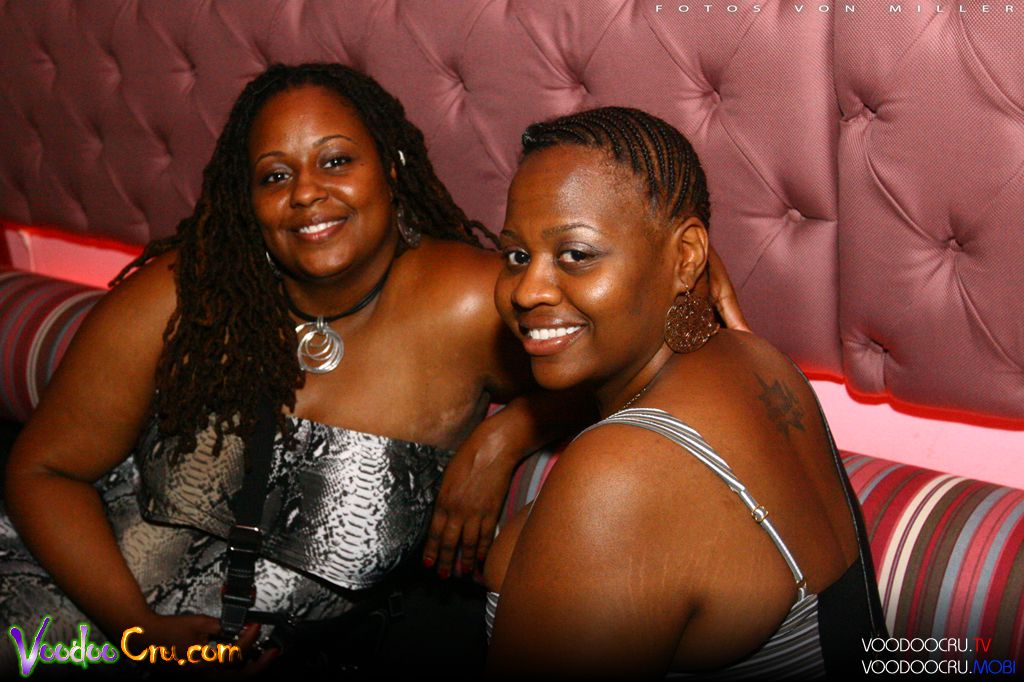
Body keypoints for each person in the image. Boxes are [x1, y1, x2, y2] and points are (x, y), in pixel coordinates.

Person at [2, 66, 745, 676]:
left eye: (335, 161)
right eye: (274, 175)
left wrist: (507, 435)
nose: (305, 193)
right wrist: (136, 631)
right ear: (250, 201)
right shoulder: (182, 295)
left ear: (389, 166)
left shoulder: (469, 301)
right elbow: (44, 470)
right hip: (56, 617)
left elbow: (641, 347)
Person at [485, 107, 887, 678]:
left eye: (575, 254)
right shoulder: (758, 360)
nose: (527, 290)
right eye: (516, 256)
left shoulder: (621, 474)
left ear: (688, 255)